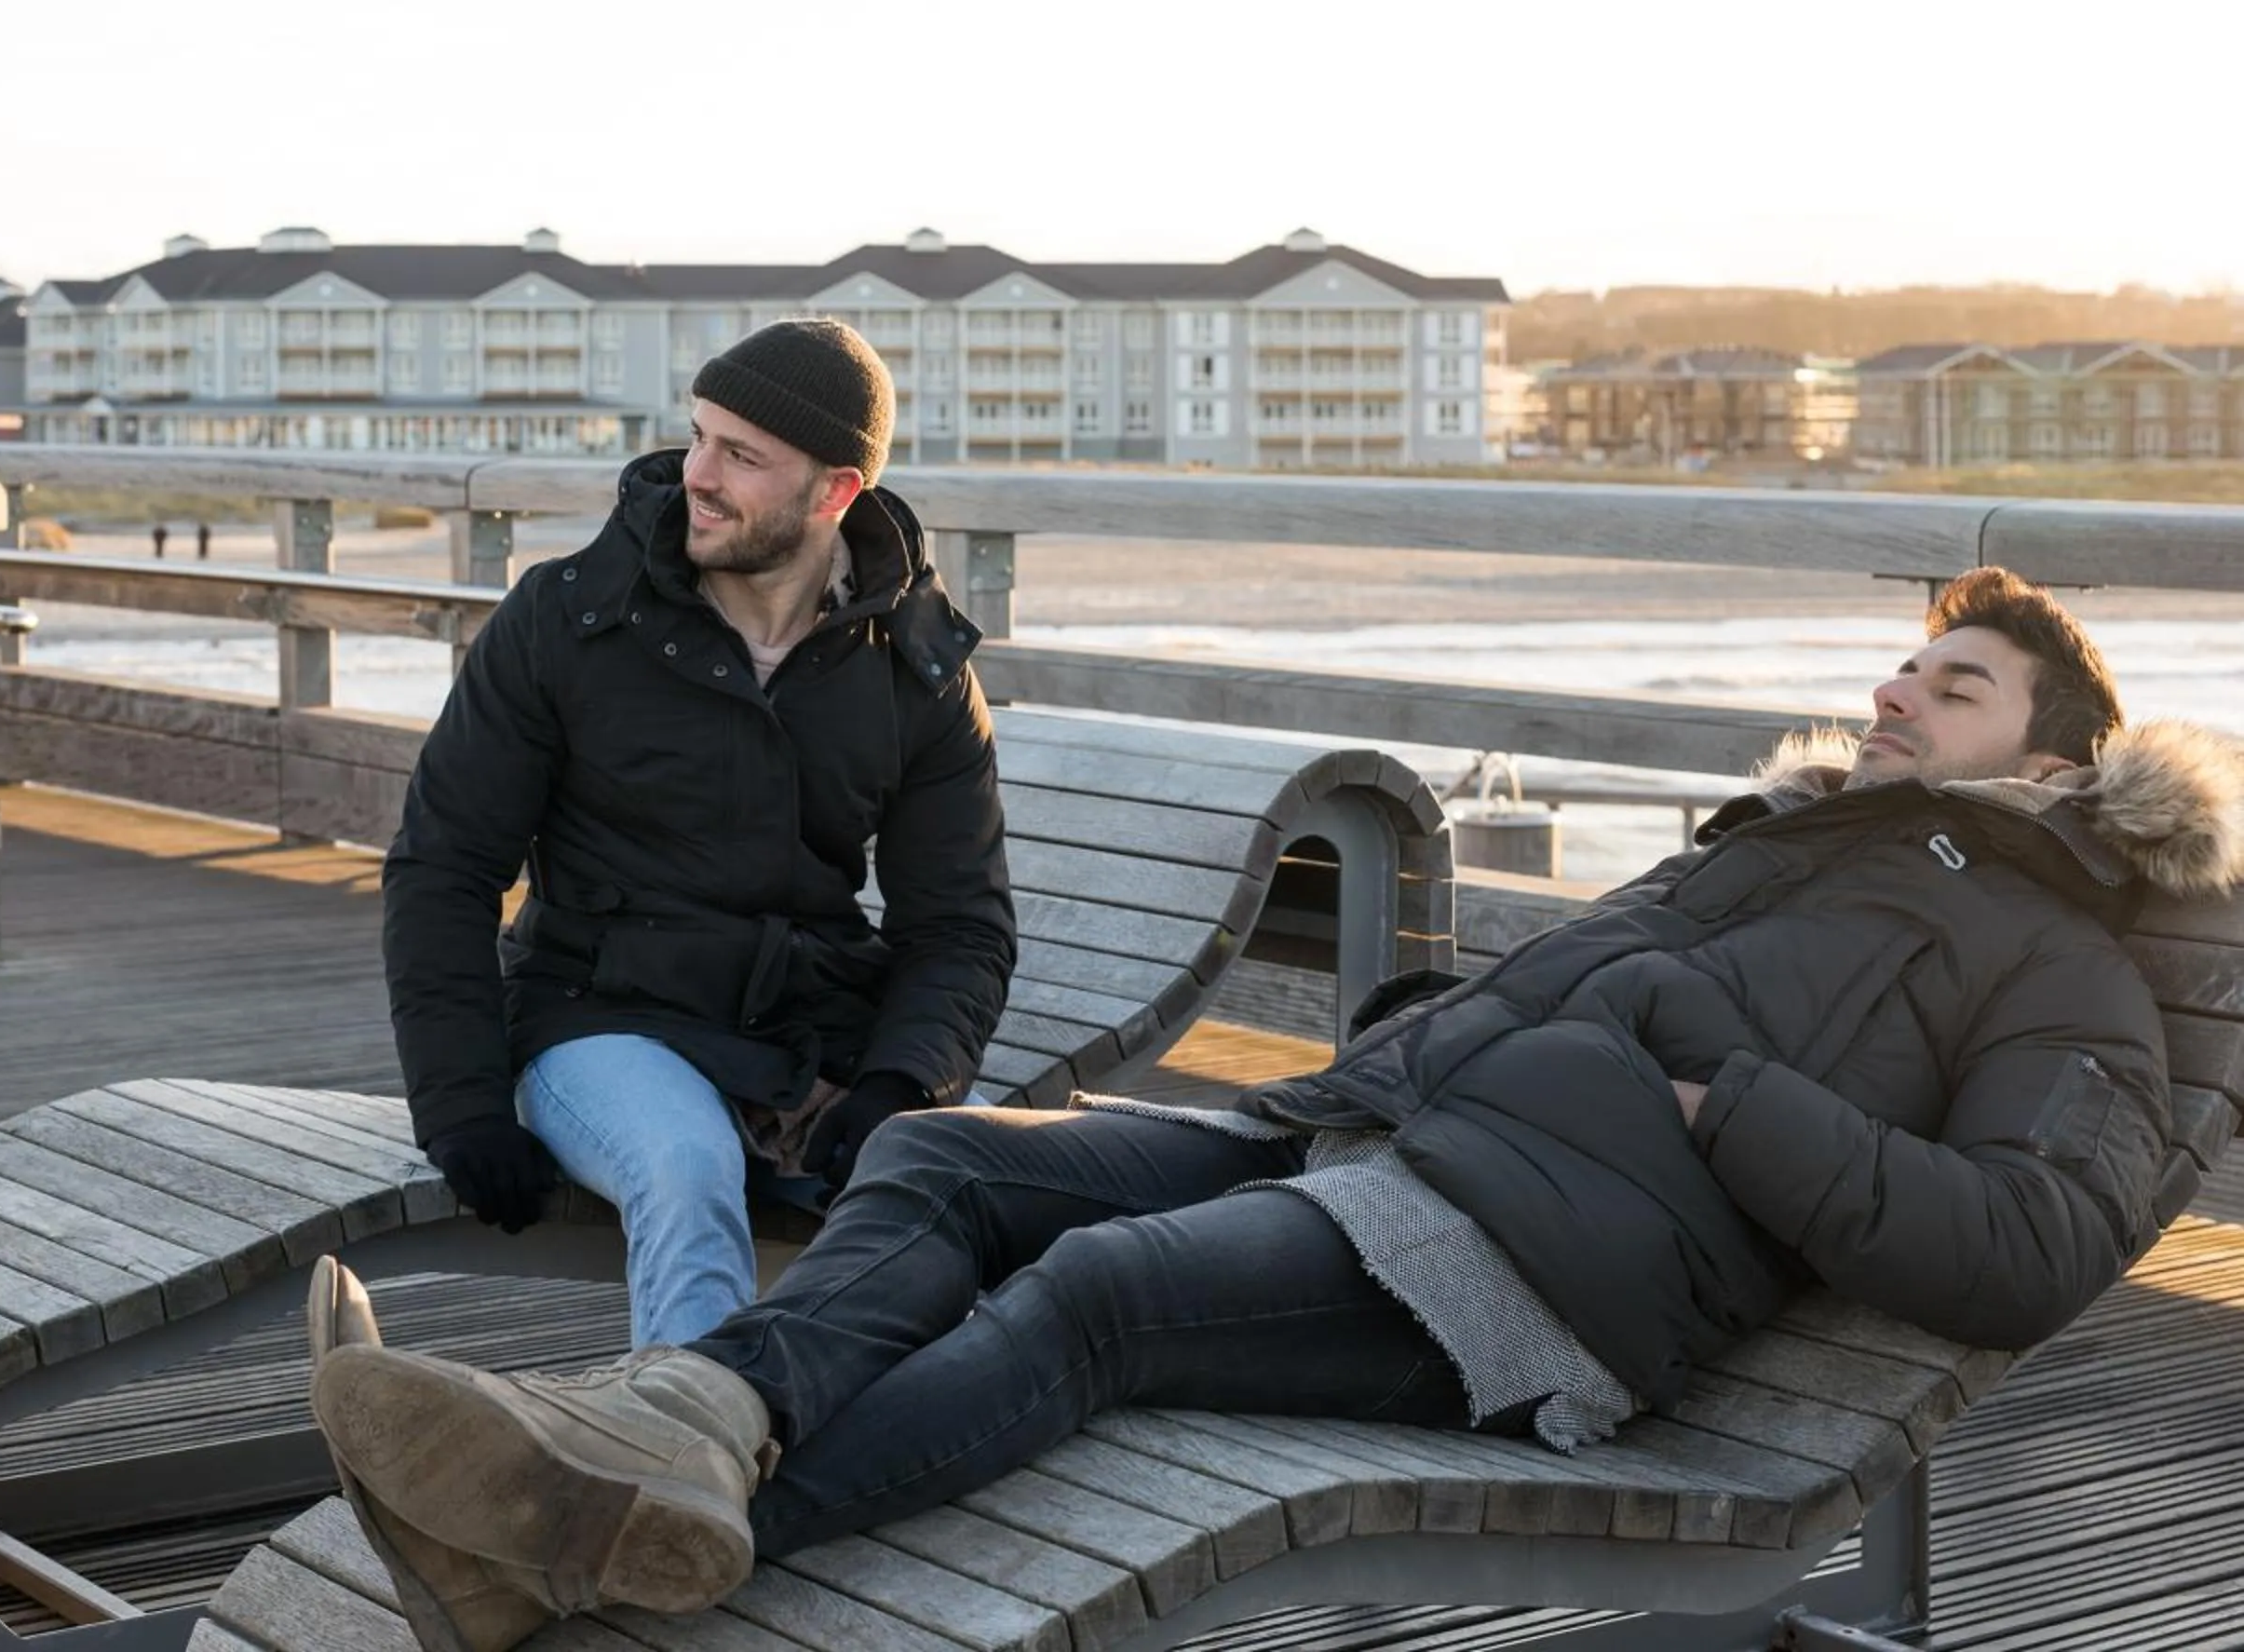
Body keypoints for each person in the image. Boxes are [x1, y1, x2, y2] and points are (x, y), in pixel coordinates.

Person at [310, 567, 2244, 1652]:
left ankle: (608, 1551)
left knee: (1096, 1301)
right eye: (1902, 661)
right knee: (940, 1154)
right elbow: (1573, 1000)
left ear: (2057, 764)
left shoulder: (2061, 966)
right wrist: (1425, 1029)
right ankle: (688, 1421)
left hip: (1531, 1276)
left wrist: (1725, 1101)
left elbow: (2027, 1248)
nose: (1896, 692)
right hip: (1375, 1137)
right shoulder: (1780, 844)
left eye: (1954, 686)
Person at [379, 317, 1015, 1355]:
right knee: (686, 1166)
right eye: (699, 436)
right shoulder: (565, 617)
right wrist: (462, 1105)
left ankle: (869, 1435)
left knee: (975, 1182)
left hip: (808, 1032)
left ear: (836, 491)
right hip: (599, 1017)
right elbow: (443, 868)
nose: (698, 476)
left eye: (742, 456)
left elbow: (959, 924)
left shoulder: (916, 665)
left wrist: (904, 1083)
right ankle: (686, 1439)